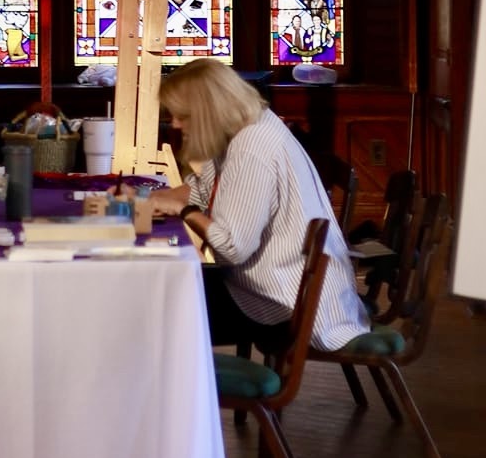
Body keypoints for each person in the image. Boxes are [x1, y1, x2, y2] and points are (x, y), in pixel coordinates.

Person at [147, 58, 372, 360]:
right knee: (167, 288)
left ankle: (180, 399)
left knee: (155, 305)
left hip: (283, 307)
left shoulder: (251, 149)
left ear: (208, 110)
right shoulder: (251, 124)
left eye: (182, 115)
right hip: (286, 291)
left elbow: (231, 247)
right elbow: (206, 190)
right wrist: (150, 200)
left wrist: (184, 211)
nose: (174, 123)